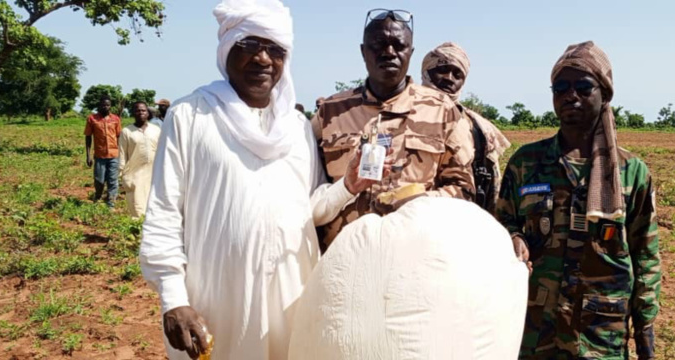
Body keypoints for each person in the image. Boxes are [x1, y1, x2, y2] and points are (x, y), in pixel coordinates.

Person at [138, 1, 372, 358]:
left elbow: (309, 208)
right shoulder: (190, 115)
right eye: (250, 45)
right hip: (217, 301)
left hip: (292, 296)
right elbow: (164, 212)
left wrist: (347, 187)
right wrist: (173, 299)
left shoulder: (295, 127)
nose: (263, 58)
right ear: (227, 48)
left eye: (275, 49)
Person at [497, 41, 661, 359]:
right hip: (536, 330)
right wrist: (513, 237)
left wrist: (645, 326)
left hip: (600, 336)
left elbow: (645, 256)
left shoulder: (631, 172)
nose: (570, 95)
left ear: (604, 93)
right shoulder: (526, 163)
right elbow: (502, 222)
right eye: (560, 87)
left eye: (583, 86)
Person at [311, 9, 475, 250]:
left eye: (398, 45)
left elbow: (465, 192)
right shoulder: (330, 113)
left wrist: (417, 202)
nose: (389, 52)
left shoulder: (444, 111)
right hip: (341, 258)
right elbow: (307, 192)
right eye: (379, 44)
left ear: (410, 53)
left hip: (412, 257)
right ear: (363, 51)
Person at [421, 42, 511, 213]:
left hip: (463, 223)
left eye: (457, 74)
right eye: (442, 69)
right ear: (426, 72)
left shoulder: (480, 128)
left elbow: (493, 186)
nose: (449, 78)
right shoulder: (401, 114)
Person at [118, 101, 162, 218]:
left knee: (153, 206)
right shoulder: (126, 132)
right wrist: (121, 174)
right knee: (137, 207)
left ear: (148, 113)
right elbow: (122, 154)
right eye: (137, 110)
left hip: (153, 174)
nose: (141, 113)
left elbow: (163, 151)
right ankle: (138, 233)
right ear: (133, 113)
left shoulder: (156, 130)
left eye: (143, 110)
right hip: (134, 175)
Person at [84, 95, 122, 208]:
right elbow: (88, 137)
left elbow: (119, 136)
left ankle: (111, 203)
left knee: (113, 180)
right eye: (103, 105)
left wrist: (122, 153)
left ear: (110, 106)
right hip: (100, 155)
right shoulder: (92, 119)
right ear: (99, 105)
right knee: (99, 180)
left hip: (114, 154)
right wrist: (88, 155)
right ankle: (98, 196)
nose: (105, 107)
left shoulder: (116, 119)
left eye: (107, 105)